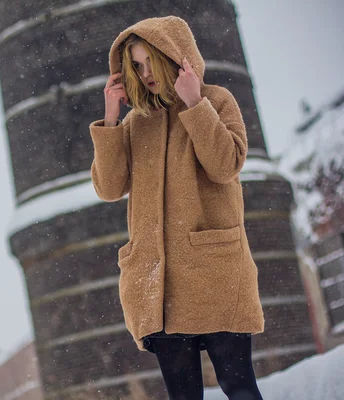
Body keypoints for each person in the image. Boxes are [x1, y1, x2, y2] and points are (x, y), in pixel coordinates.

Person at [89, 16, 265, 400]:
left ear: (176, 55)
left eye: (151, 60)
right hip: (159, 286)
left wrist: (194, 102)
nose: (145, 72)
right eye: (136, 65)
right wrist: (112, 118)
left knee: (239, 387)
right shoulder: (137, 123)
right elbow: (108, 187)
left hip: (215, 276)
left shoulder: (216, 101)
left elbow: (225, 165)